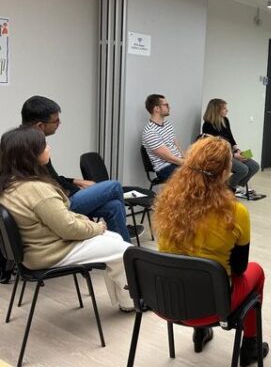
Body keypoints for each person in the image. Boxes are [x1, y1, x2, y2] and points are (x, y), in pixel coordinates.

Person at [154, 135, 268, 366]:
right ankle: (250, 346)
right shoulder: (236, 212)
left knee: (191, 265)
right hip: (212, 307)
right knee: (256, 272)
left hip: (165, 301)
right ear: (226, 172)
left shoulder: (167, 203)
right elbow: (239, 268)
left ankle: (201, 333)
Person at [0, 127, 133, 311]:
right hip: (50, 252)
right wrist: (96, 228)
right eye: (44, 145)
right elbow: (68, 229)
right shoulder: (36, 189)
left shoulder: (10, 184)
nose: (49, 148)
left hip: (35, 251)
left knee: (116, 239)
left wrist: (89, 224)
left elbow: (62, 217)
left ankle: (127, 301)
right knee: (124, 250)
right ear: (31, 155)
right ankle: (130, 302)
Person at [21, 96, 137, 242]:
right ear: (40, 125)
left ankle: (124, 250)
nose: (59, 123)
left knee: (114, 206)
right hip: (59, 204)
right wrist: (74, 190)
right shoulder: (30, 148)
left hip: (64, 195)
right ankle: (126, 231)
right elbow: (46, 186)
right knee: (114, 186)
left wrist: (76, 181)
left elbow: (52, 177)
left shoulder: (30, 141)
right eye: (56, 121)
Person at [202, 98, 259, 193]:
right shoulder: (207, 125)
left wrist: (237, 150)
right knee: (243, 169)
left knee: (255, 166)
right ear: (216, 109)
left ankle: (237, 186)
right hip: (220, 155)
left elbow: (230, 137)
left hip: (231, 152)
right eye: (224, 108)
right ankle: (227, 189)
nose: (227, 110)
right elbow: (213, 147)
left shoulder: (225, 120)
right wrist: (234, 156)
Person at [141, 94, 184, 181]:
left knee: (204, 170)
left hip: (177, 162)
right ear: (157, 109)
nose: (169, 107)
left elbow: (177, 147)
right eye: (166, 105)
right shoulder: (150, 132)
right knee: (197, 177)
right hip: (166, 168)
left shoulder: (167, 124)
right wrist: (190, 164)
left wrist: (187, 159)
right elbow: (169, 158)